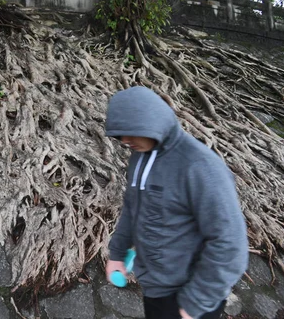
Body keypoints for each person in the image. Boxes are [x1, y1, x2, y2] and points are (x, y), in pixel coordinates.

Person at [104, 86, 249, 319]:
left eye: (131, 132)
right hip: (155, 286)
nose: (124, 141)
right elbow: (132, 208)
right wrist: (117, 253)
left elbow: (231, 244)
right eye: (120, 134)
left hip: (190, 296)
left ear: (153, 123)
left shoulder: (201, 167)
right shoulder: (140, 155)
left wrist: (195, 302)